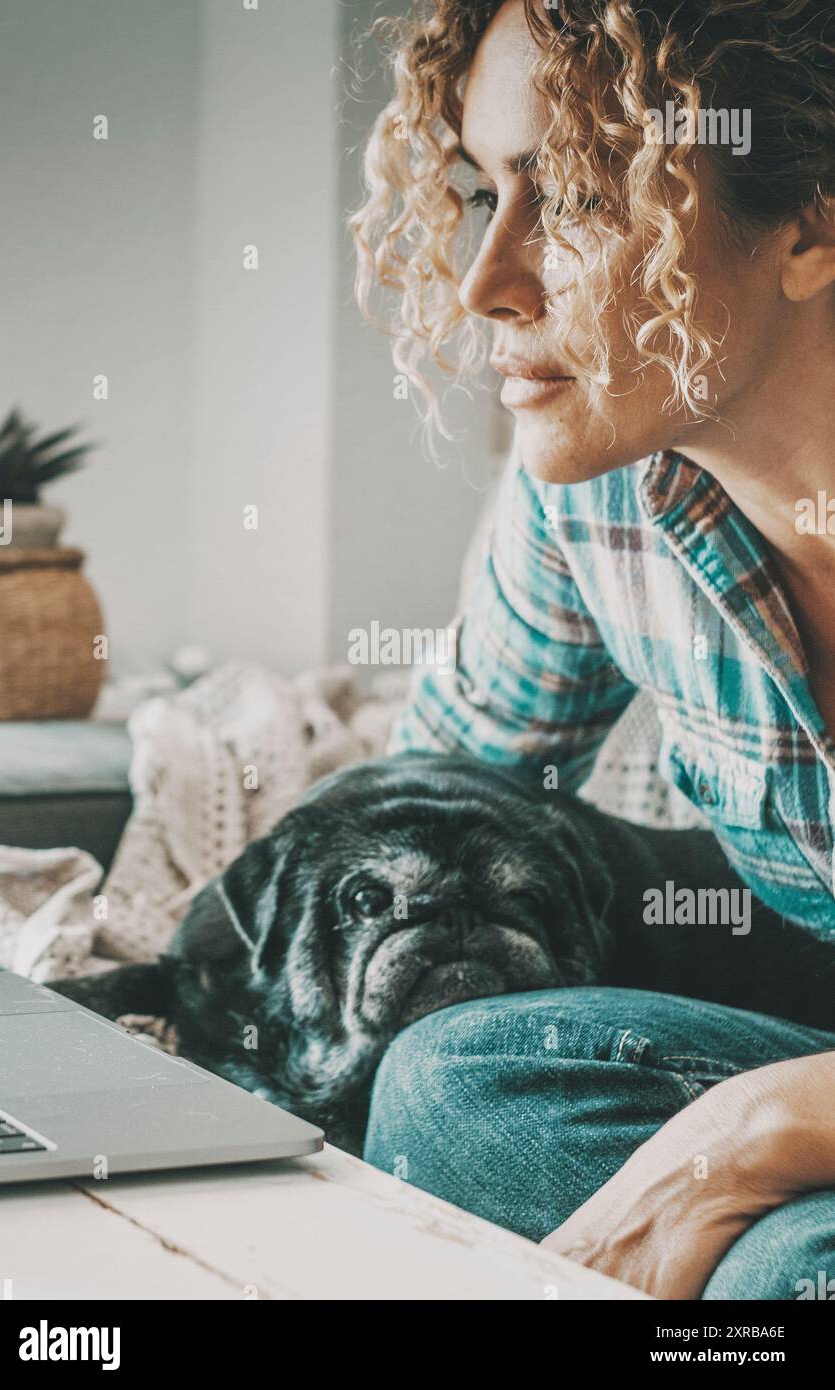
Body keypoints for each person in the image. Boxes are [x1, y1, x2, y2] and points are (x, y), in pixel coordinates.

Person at [349, 0, 835, 1299]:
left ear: (808, 220)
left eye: (566, 192)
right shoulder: (596, 495)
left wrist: (743, 1139)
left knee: (793, 1258)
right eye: (476, 191)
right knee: (450, 1086)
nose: (482, 282)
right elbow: (433, 791)